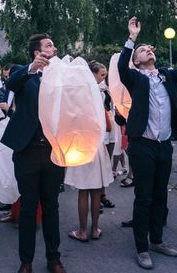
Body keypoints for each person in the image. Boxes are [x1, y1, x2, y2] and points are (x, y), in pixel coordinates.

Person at [118, 16, 177, 270]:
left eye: (149, 48)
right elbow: (122, 66)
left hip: (164, 145)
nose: (149, 50)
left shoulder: (167, 75)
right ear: (137, 60)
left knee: (160, 195)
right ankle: (142, 248)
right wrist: (132, 38)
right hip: (142, 144)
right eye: (143, 50)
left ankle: (157, 240)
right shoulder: (134, 77)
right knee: (143, 197)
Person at [1, 34, 67, 273]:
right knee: (29, 209)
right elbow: (10, 85)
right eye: (49, 44)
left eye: (54, 44)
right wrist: (31, 68)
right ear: (36, 52)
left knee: (51, 207)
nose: (54, 47)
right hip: (27, 151)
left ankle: (54, 259)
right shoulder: (23, 73)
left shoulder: (62, 75)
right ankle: (26, 262)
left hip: (53, 153)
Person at [65, 61, 114, 243]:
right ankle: (94, 229)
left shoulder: (77, 93)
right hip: (97, 144)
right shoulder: (99, 94)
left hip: (81, 144)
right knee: (95, 191)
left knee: (83, 191)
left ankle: (82, 231)